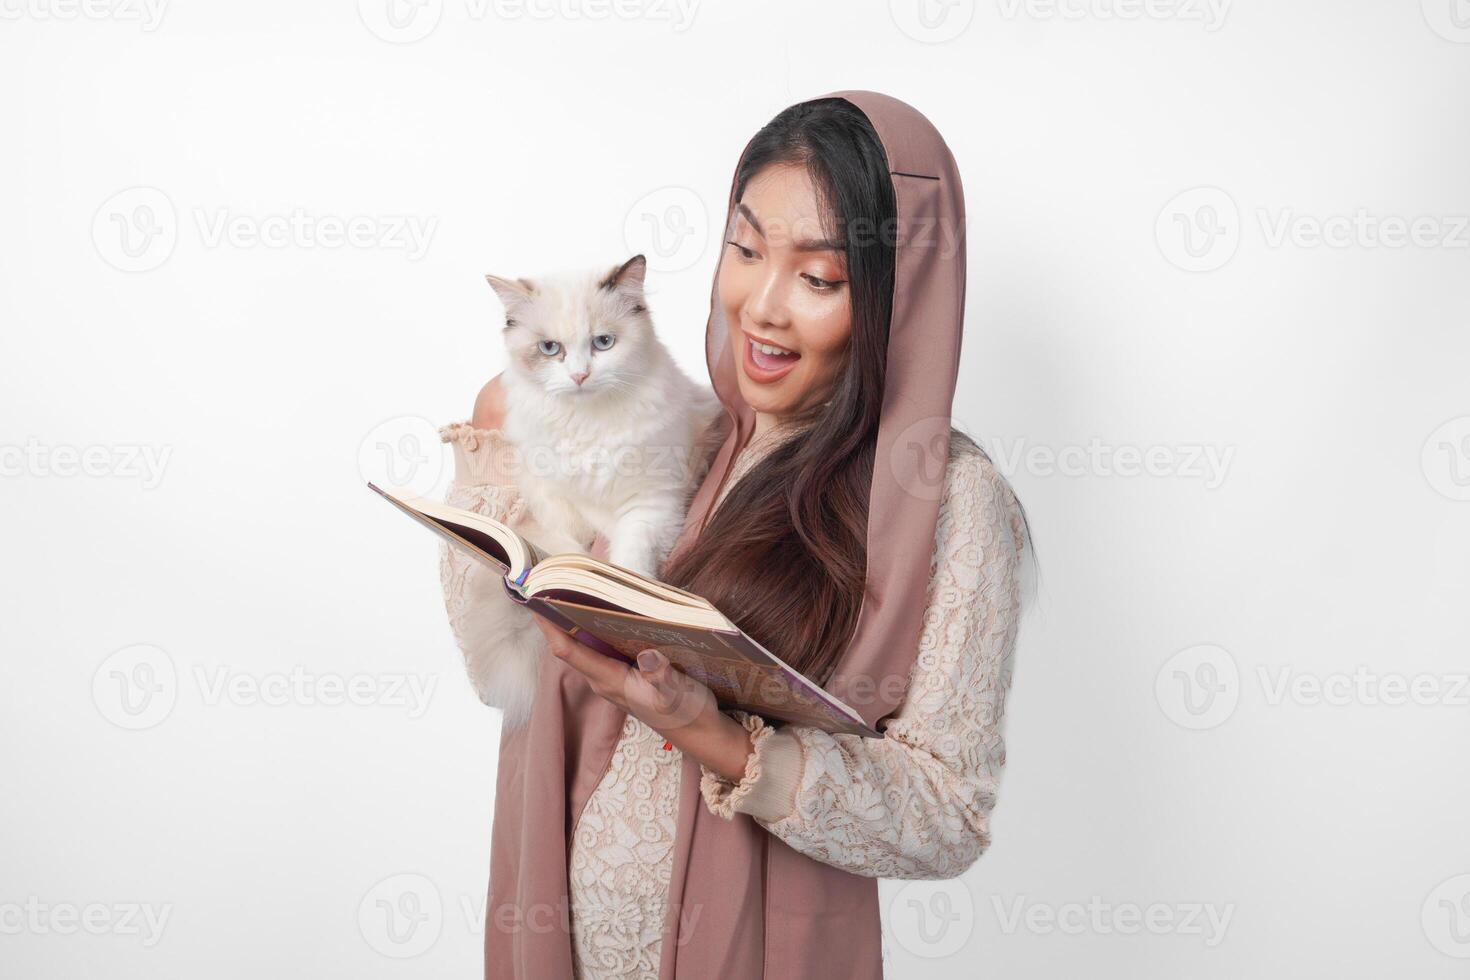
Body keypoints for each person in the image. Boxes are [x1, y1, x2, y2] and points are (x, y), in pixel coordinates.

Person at [437, 90, 1033, 979]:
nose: (761, 307)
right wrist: (490, 460)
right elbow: (499, 676)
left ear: (897, 299)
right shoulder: (692, 433)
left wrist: (717, 735)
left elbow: (949, 819)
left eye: (819, 278)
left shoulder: (942, 499)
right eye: (745, 250)